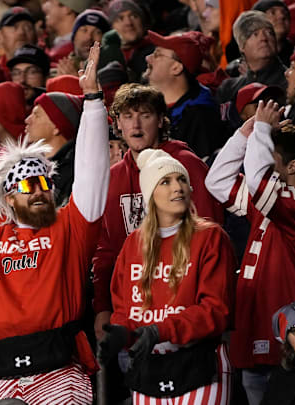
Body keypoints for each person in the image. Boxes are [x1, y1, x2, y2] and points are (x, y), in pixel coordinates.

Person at [0, 42, 107, 404]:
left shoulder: (71, 227)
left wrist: (92, 102)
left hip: (59, 369)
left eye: (44, 183)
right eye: (28, 186)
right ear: (8, 197)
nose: (39, 191)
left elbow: (92, 172)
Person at [205, 101, 295, 405]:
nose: (259, 159)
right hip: (254, 326)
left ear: (292, 166)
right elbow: (217, 181)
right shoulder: (269, 200)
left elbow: (259, 185)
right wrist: (244, 134)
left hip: (293, 335)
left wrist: (263, 129)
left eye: (268, 155)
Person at [100, 148, 235, 404]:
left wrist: (160, 330)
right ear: (151, 194)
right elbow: (124, 308)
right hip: (149, 366)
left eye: (182, 179)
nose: (178, 187)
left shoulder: (210, 237)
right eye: (166, 181)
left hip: (201, 364)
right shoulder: (133, 244)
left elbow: (215, 310)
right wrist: (121, 333)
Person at [91, 84, 223, 342]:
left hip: (186, 309)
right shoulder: (113, 177)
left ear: (162, 121)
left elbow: (209, 235)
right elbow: (106, 252)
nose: (136, 125)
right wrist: (103, 307)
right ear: (117, 123)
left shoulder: (186, 165)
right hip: (134, 312)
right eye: (127, 116)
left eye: (145, 115)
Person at [143, 30, 227, 160]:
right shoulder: (149, 105)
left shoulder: (200, 116)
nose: (148, 58)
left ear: (176, 68)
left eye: (157, 55)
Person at [217, 11, 287, 126]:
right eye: (255, 34)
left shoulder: (290, 82)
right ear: (242, 46)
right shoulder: (228, 89)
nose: (264, 38)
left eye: (270, 33)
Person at [25, 92, 83, 207]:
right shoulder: (27, 165)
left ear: (57, 127)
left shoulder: (74, 172)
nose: (27, 120)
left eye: (36, 115)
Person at [107, 0, 153, 83]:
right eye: (120, 18)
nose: (128, 23)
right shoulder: (106, 58)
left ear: (143, 22)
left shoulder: (157, 52)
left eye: (134, 16)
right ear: (111, 28)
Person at [56, 9, 110, 76]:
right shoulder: (58, 72)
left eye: (97, 32)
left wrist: (73, 80)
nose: (89, 37)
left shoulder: (113, 73)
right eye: (84, 30)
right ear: (74, 36)